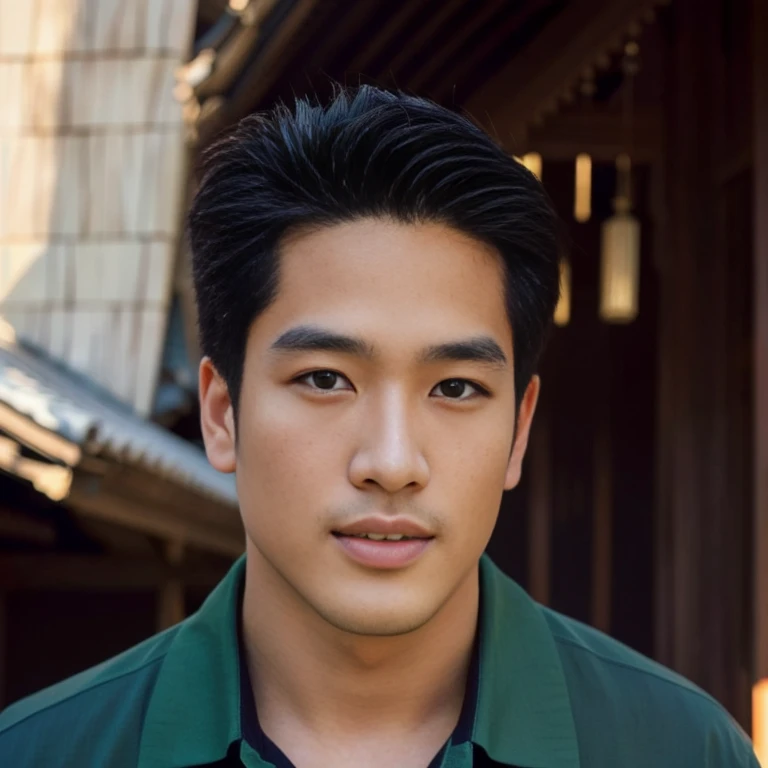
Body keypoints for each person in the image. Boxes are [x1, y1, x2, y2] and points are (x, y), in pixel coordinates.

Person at [0, 86, 759, 768]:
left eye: (456, 386)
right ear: (222, 412)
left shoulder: (679, 750)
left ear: (519, 430)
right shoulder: (43, 754)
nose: (392, 462)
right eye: (325, 379)